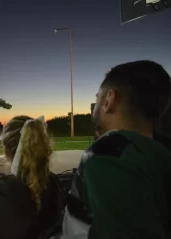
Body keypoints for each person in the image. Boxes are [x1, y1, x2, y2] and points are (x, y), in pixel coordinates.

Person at [62, 60, 171, 239]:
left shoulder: (108, 156)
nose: (95, 105)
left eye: (98, 97)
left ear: (109, 99)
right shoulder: (160, 151)